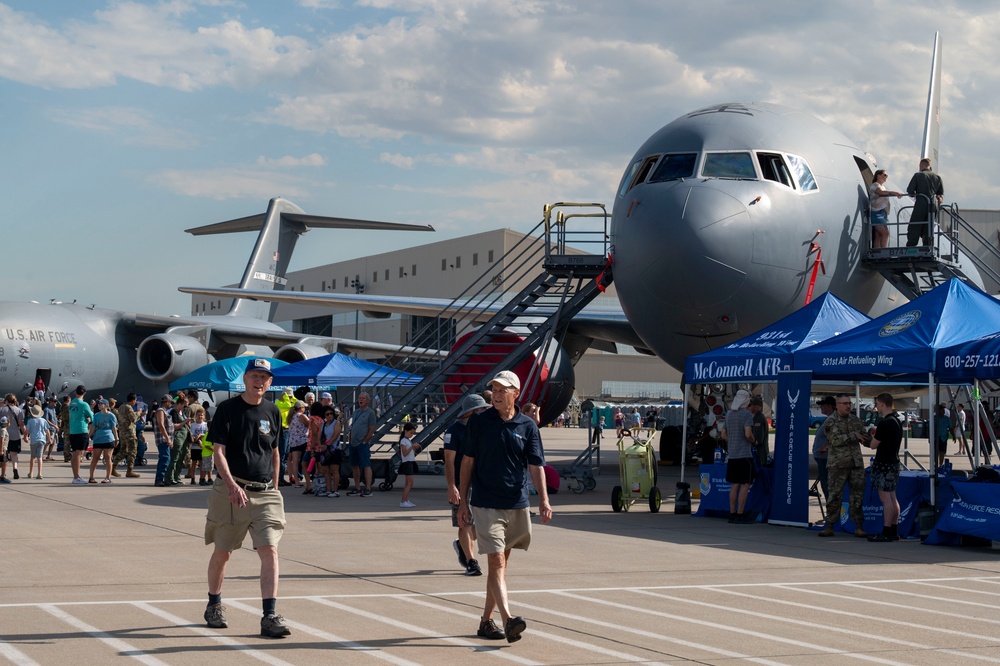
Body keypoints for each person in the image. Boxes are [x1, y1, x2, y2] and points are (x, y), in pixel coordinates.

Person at [458, 370, 551, 643]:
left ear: (515, 394)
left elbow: (536, 465)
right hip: (486, 503)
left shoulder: (527, 426)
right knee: (496, 561)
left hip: (517, 503)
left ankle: (486, 622)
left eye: (502, 390)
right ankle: (508, 619)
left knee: (499, 566)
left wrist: (544, 500)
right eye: (494, 390)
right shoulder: (479, 423)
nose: (496, 395)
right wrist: (463, 501)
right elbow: (467, 463)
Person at [203, 357, 290, 639]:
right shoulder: (227, 410)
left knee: (270, 550)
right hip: (232, 491)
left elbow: (275, 451)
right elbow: (218, 452)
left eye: (264, 377)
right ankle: (214, 604)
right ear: (245, 378)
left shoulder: (273, 411)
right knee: (224, 551)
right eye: (254, 375)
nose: (259, 381)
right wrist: (230, 485)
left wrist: (275, 486)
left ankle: (269, 616)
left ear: (270, 382)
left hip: (265, 493)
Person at [444, 393, 488, 576]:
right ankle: (471, 562)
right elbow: (449, 461)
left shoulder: (482, 429)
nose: (484, 413)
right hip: (462, 484)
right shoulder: (453, 431)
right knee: (465, 523)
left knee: (485, 525)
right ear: (471, 412)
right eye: (480, 410)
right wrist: (452, 486)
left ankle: (462, 544)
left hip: (481, 483)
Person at [818, 395, 868, 538]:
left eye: (850, 403)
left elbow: (863, 436)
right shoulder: (830, 421)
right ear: (837, 405)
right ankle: (830, 525)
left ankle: (859, 526)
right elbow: (834, 440)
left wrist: (870, 439)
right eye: (845, 403)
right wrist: (853, 435)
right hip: (838, 464)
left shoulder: (855, 420)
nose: (848, 406)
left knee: (857, 496)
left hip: (855, 464)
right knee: (834, 495)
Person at [862, 393, 903, 542]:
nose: (876, 407)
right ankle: (893, 529)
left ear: (883, 405)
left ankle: (886, 531)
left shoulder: (885, 423)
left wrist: (864, 439)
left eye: (877, 404)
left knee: (885, 497)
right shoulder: (897, 421)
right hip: (894, 462)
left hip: (884, 464)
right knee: (892, 497)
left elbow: (873, 445)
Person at [720, 389, 758, 524]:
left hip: (732, 455)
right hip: (744, 455)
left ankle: (732, 513)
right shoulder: (747, 415)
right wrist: (754, 441)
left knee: (734, 484)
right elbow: (748, 434)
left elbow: (723, 434)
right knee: (745, 484)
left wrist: (732, 440)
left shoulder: (729, 414)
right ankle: (741, 514)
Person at [905, 157, 944, 247]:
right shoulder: (937, 177)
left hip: (921, 203)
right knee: (929, 226)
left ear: (922, 165)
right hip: (933, 205)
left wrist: (914, 194)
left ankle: (911, 245)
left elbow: (910, 190)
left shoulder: (918, 175)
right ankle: (928, 245)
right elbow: (940, 195)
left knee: (915, 225)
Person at [348, 392, 376, 497]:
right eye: (360, 398)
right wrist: (350, 439)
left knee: (365, 465)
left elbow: (372, 428)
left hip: (362, 443)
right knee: (354, 466)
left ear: (368, 401)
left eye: (363, 398)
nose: (361, 400)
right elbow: (352, 426)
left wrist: (365, 441)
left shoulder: (370, 413)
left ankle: (368, 488)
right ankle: (357, 487)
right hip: (353, 443)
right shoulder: (355, 412)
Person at [869, 169, 904, 249]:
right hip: (877, 212)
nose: (886, 177)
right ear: (878, 175)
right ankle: (884, 250)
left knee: (878, 235)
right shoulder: (875, 185)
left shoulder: (882, 187)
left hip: (883, 213)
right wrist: (895, 193)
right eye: (884, 175)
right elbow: (880, 193)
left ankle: (877, 250)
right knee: (885, 233)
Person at [88, 399, 118, 484]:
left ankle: (107, 477)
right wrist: (88, 436)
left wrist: (116, 438)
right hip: (98, 438)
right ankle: (91, 477)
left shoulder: (111, 416)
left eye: (101, 404)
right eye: (98, 404)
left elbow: (114, 428)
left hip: (108, 438)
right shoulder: (96, 416)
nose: (99, 405)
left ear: (106, 405)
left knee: (107, 457)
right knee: (95, 457)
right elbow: (93, 428)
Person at [111, 393, 141, 478]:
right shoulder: (128, 408)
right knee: (132, 451)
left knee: (123, 451)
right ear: (133, 400)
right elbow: (133, 419)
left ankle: (113, 467)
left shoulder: (121, 407)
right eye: (135, 400)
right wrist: (138, 413)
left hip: (122, 432)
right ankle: (129, 471)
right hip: (129, 433)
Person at [68, 385, 94, 485]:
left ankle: (75, 475)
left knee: (75, 453)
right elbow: (92, 417)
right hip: (81, 430)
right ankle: (77, 476)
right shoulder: (84, 404)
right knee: (79, 454)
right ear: (84, 393)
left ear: (76, 392)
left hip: (73, 431)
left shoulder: (72, 403)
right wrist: (88, 420)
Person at [812, 396, 836, 500]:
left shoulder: (833, 419)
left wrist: (824, 448)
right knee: (826, 487)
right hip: (823, 459)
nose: (821, 407)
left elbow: (834, 437)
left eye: (823, 405)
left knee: (828, 488)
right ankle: (831, 513)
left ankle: (832, 514)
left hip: (826, 459)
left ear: (830, 405)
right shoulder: (829, 418)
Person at [316, 406, 342, 497]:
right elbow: (319, 437)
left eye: (331, 413)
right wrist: (320, 445)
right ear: (324, 416)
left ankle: (335, 490)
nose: (330, 415)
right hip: (325, 450)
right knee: (326, 470)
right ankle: (328, 489)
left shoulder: (336, 423)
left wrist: (327, 445)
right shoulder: (323, 425)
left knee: (334, 469)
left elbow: (336, 435)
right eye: (327, 414)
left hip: (335, 449)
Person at [0, 394, 26, 481]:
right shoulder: (19, 410)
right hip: (15, 435)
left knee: (4, 454)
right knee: (14, 454)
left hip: (3, 434)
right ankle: (15, 468)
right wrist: (25, 435)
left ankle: (3, 473)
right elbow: (21, 424)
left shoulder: (2, 409)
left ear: (6, 401)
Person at [153, 394, 175, 487]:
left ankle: (161, 479)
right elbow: (161, 425)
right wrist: (167, 438)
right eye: (170, 402)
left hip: (165, 439)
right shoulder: (160, 411)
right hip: (162, 439)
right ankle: (159, 479)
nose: (171, 404)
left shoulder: (165, 411)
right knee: (165, 458)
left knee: (164, 458)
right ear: (167, 402)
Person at [285, 400, 308, 489]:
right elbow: (310, 424)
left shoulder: (292, 417)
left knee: (295, 462)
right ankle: (308, 480)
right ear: (301, 408)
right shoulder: (301, 416)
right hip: (302, 440)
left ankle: (297, 482)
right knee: (304, 461)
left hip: (293, 441)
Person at [398, 422, 419, 508]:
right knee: (410, 483)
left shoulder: (407, 440)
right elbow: (405, 453)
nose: (411, 435)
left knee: (408, 483)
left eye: (412, 433)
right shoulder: (403, 441)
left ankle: (405, 499)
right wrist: (411, 447)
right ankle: (403, 501)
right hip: (407, 463)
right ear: (406, 431)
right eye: (410, 433)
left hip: (410, 462)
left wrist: (413, 447)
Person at [25, 404, 48, 480]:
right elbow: (47, 431)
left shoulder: (30, 421)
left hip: (34, 440)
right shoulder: (43, 420)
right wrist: (49, 439)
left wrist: (25, 437)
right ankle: (39, 473)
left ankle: (31, 473)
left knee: (32, 457)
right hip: (42, 440)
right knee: (40, 457)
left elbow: (27, 431)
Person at [748, 395, 769, 468]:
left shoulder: (759, 419)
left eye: (751, 405)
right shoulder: (755, 417)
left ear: (757, 407)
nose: (749, 407)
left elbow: (758, 438)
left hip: (759, 453)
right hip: (757, 452)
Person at [191, 409, 209, 485]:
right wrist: (196, 439)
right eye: (198, 415)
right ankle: (192, 478)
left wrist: (201, 435)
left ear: (204, 416)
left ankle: (202, 478)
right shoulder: (193, 425)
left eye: (201, 415)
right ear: (196, 416)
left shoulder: (205, 425)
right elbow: (191, 434)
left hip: (202, 447)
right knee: (194, 463)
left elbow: (207, 434)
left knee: (202, 463)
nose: (200, 416)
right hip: (194, 446)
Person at [935, 404, 951, 469]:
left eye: (943, 410)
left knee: (942, 452)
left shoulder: (946, 419)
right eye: (942, 410)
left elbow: (950, 427)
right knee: (936, 451)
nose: (943, 411)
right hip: (936, 437)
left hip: (943, 437)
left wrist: (954, 436)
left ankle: (940, 464)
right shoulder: (934, 418)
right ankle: (935, 464)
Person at [0, 417, 9, 483]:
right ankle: (2, 476)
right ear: (7, 423)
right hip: (3, 448)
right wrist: (1, 450)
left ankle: (2, 475)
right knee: (4, 462)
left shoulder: (2, 429)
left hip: (4, 448)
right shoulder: (3, 430)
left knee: (3, 462)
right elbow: (2, 440)